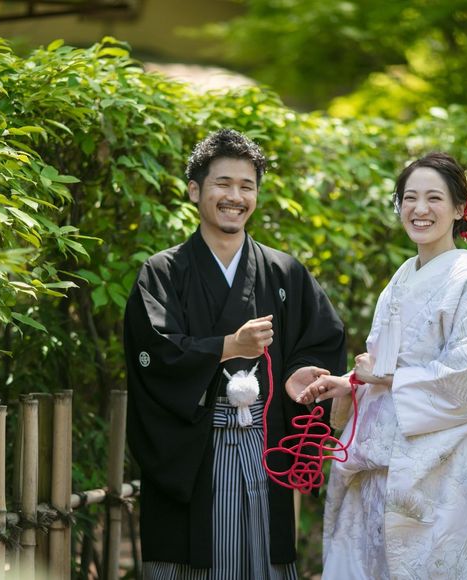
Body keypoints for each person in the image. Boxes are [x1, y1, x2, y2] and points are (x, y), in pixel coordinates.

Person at [296, 152, 467, 579]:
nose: (419, 209)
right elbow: (382, 365)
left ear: (460, 208)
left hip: (434, 469)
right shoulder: (403, 276)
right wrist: (351, 383)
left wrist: (386, 377)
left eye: (434, 198)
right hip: (377, 464)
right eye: (409, 197)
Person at [124, 128, 347, 579]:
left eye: (247, 186)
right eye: (223, 184)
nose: (235, 197)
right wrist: (228, 347)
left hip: (265, 442)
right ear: (195, 190)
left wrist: (299, 374)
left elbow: (322, 340)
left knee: (264, 559)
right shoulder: (162, 272)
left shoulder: (284, 272)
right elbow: (154, 355)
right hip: (195, 452)